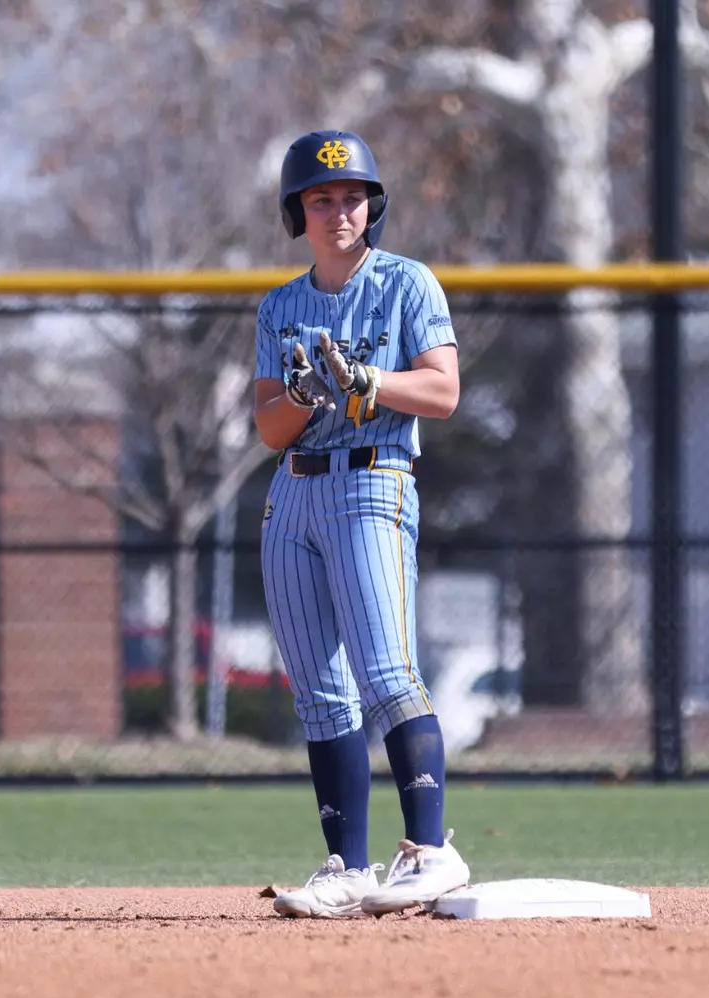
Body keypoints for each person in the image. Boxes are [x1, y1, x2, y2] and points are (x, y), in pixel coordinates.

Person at [252, 130, 470, 918]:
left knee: (385, 671)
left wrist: (371, 379)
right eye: (321, 198)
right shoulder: (281, 305)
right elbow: (269, 428)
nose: (339, 210)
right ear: (297, 212)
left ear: (371, 206)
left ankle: (432, 849)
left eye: (351, 197)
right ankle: (346, 865)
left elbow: (443, 394)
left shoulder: (406, 284)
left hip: (373, 481)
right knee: (319, 692)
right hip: (293, 494)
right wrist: (307, 398)